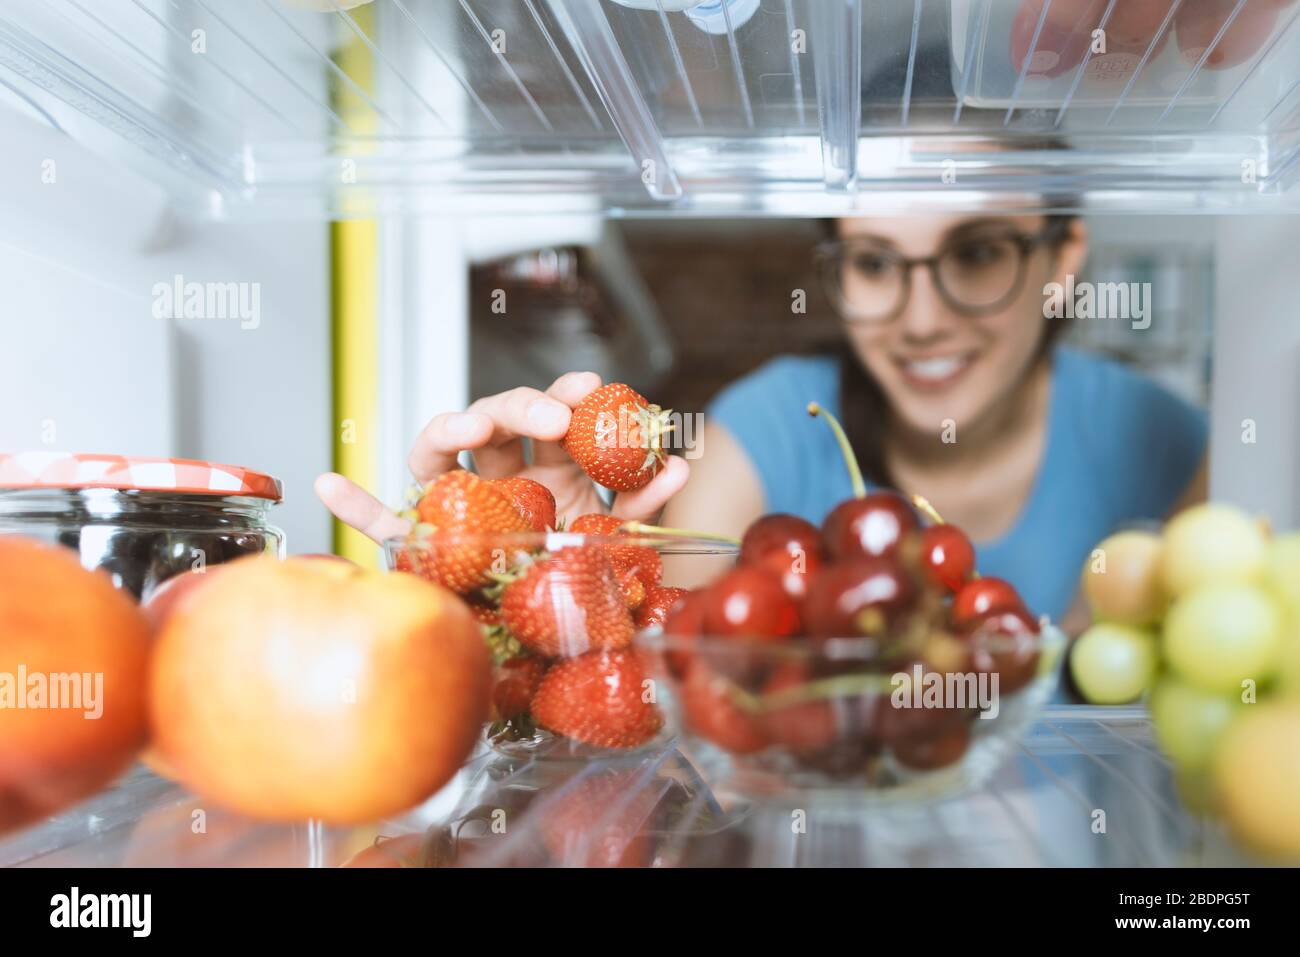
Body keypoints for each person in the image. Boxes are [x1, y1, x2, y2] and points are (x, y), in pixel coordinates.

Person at [316, 211, 1207, 628]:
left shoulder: (1168, 443)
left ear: (1064, 257)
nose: (923, 316)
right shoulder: (771, 422)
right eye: (873, 261)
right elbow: (674, 667)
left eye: (976, 253)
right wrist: (536, 578)